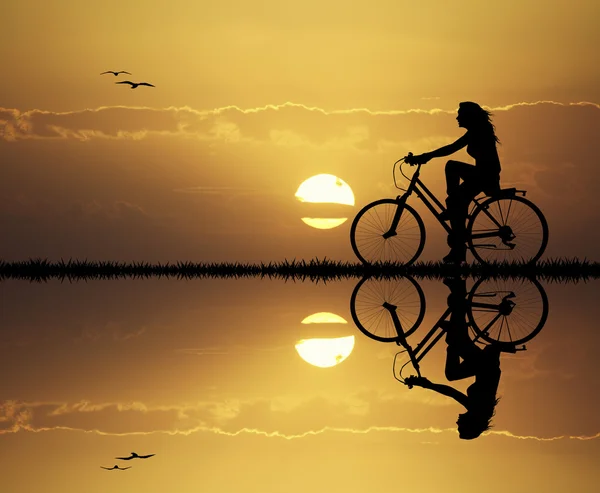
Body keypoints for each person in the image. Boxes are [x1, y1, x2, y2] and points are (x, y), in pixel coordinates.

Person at [405, 277, 501, 440]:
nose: (457, 424)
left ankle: (456, 320)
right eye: (460, 427)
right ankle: (458, 295)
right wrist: (426, 385)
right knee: (453, 364)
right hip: (484, 364)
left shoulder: (478, 411)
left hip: (484, 364)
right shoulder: (478, 410)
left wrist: (426, 385)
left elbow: (453, 393)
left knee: (455, 347)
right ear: (470, 425)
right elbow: (451, 392)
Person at [406, 102, 502, 264]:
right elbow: (452, 147)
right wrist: (425, 156)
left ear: (468, 117)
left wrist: (425, 156)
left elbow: (451, 148)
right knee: (454, 202)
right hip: (481, 175)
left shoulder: (477, 131)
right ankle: (458, 249)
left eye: (460, 114)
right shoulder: (476, 130)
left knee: (452, 169)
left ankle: (458, 246)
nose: (457, 117)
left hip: (486, 176)